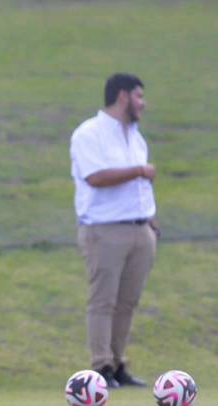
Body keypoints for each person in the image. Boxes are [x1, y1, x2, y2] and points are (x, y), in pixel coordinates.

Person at [70, 73, 159, 388]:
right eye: (139, 96)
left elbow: (139, 188)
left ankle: (118, 363)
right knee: (103, 300)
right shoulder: (89, 133)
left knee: (128, 302)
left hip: (140, 228)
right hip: (104, 230)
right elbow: (95, 177)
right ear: (123, 96)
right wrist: (139, 171)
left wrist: (150, 220)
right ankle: (101, 366)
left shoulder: (135, 135)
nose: (143, 104)